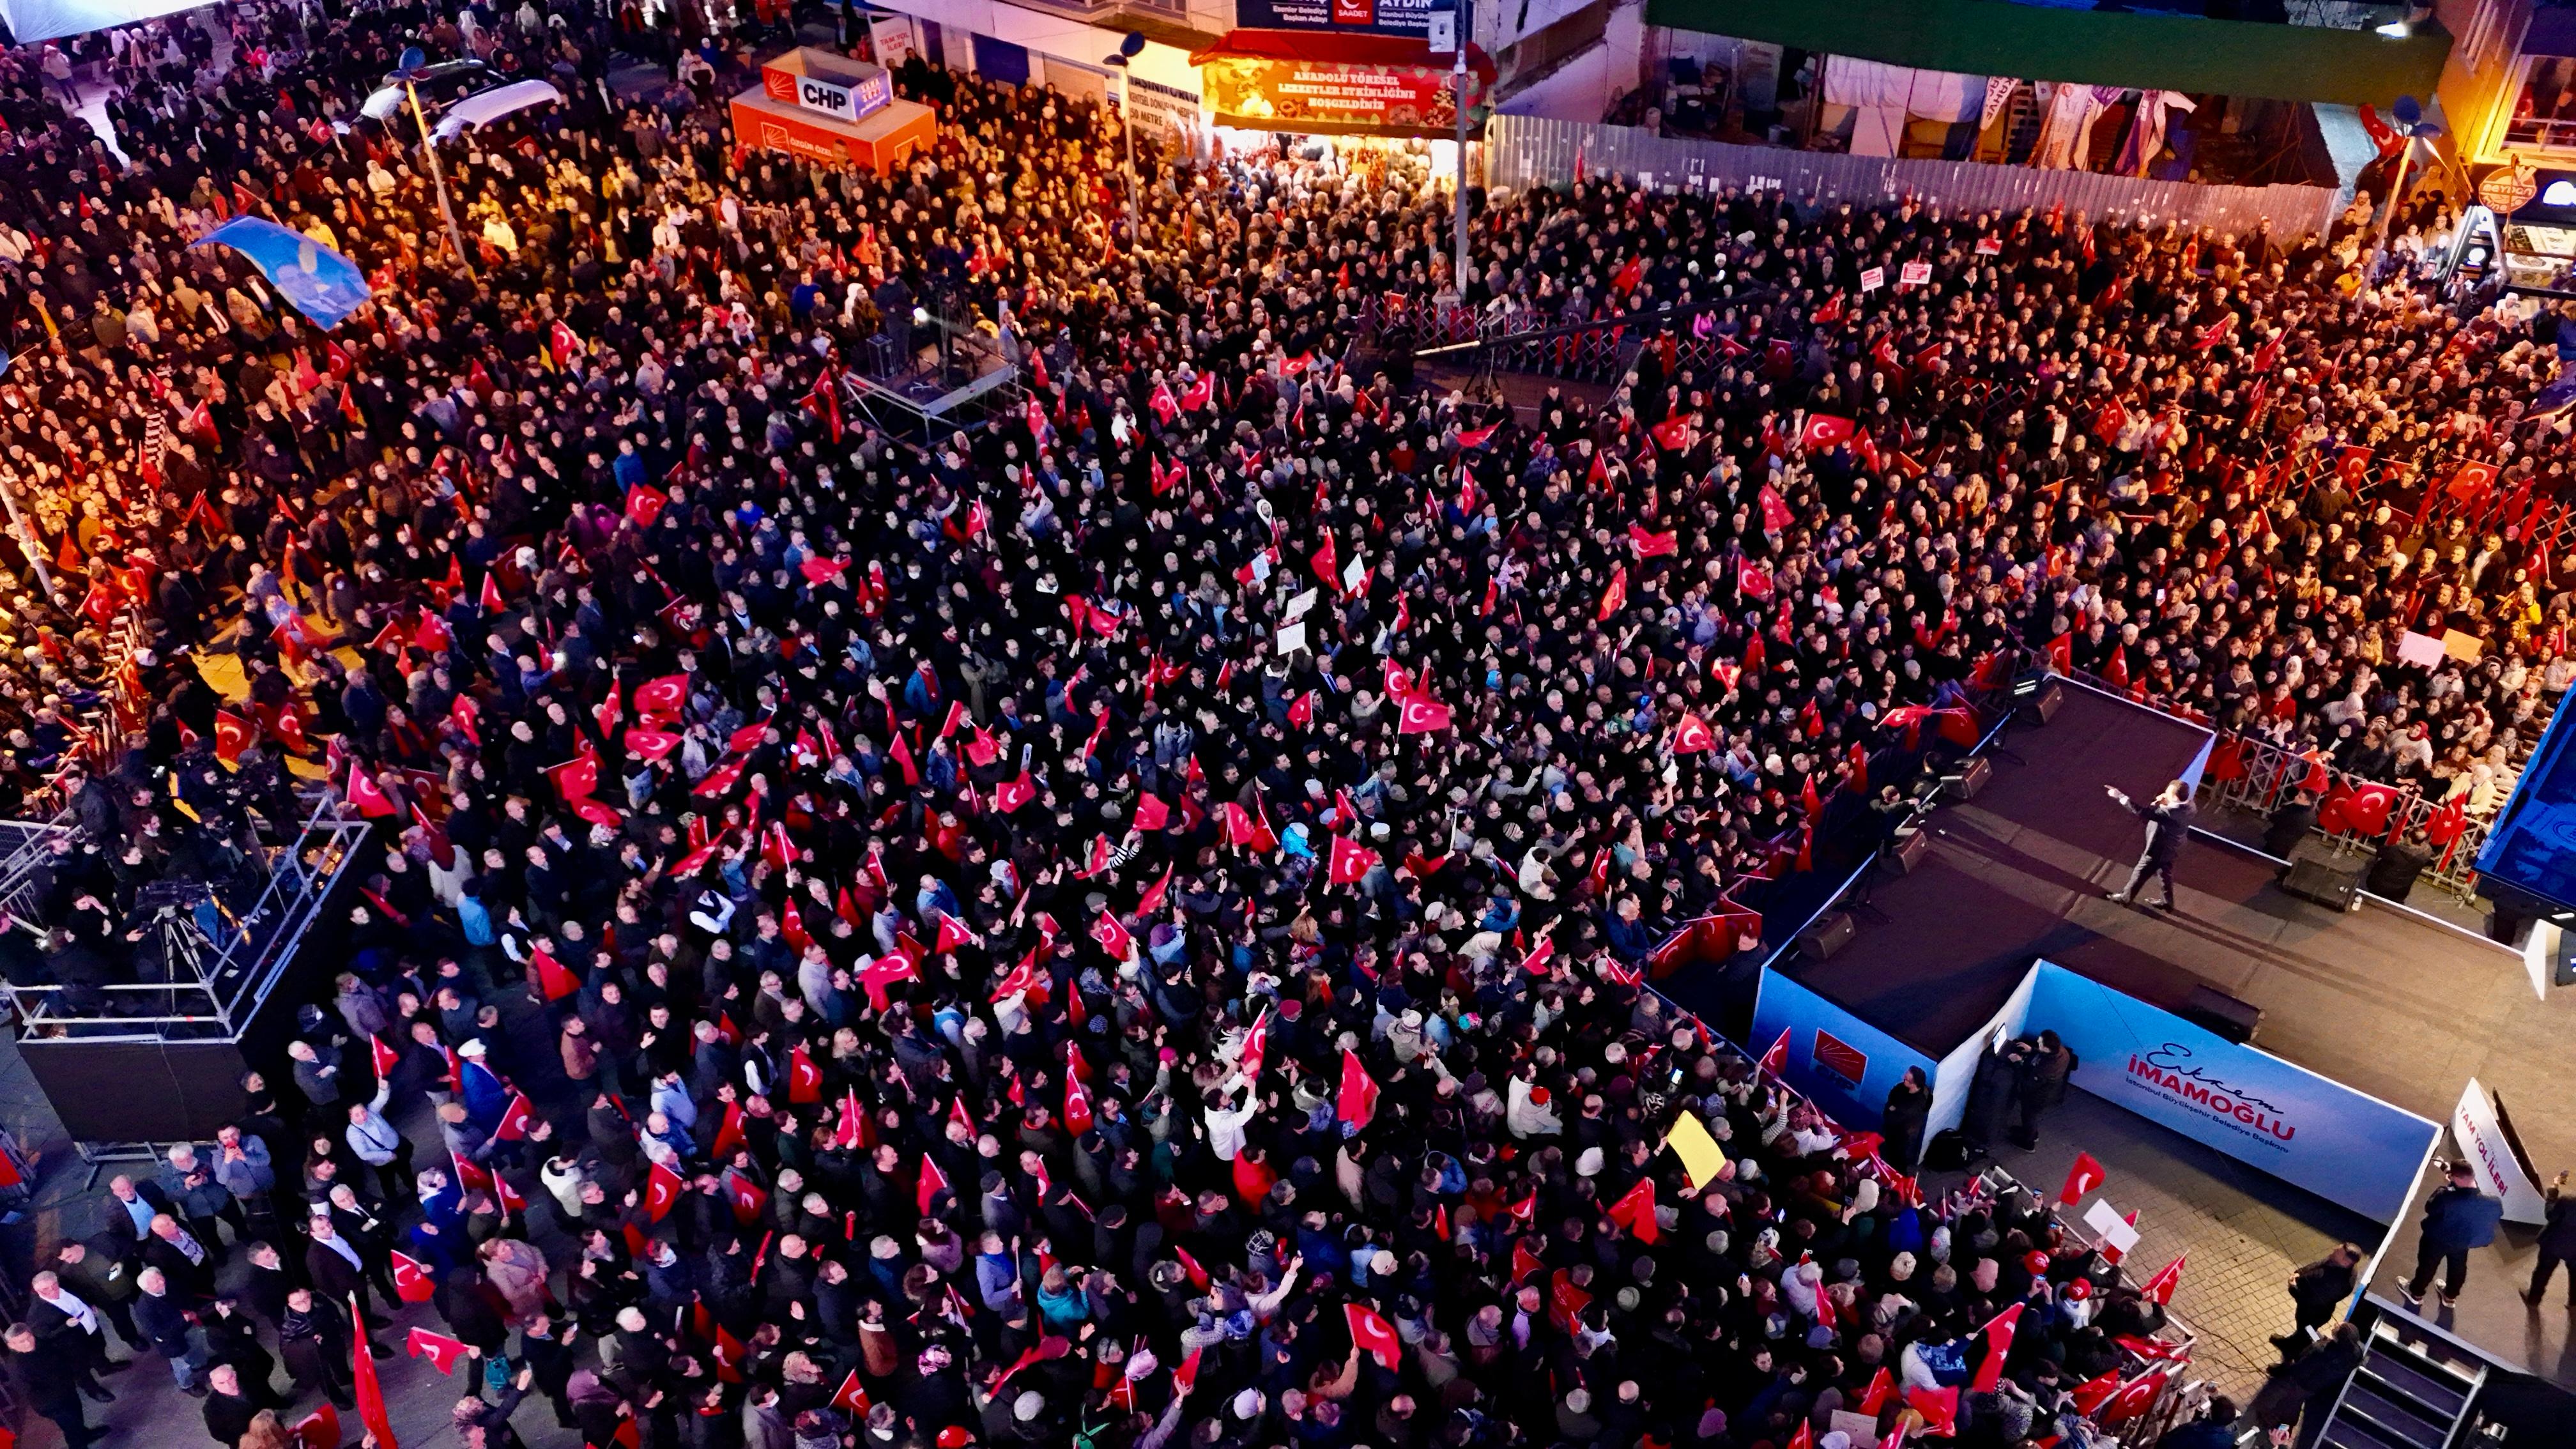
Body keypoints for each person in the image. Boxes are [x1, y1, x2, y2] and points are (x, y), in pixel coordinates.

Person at [2403, 1161, 2503, 1308]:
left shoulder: (2445, 1196)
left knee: (2427, 1266)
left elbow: (2430, 1208)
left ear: (2455, 1178)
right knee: (2458, 1268)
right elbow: (2494, 1213)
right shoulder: (2493, 1202)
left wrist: (2448, 1187)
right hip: (2463, 1242)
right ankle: (2450, 1297)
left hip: (2436, 1239)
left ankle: (2416, 1294)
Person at [4, 1321, 108, 1449]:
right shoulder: (16, 1367)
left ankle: (85, 1435)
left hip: (67, 1389)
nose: (28, 1343)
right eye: (21, 1342)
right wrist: (56, 1400)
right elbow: (29, 1393)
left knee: (78, 1418)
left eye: (29, 1337)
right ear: (11, 1345)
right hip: (53, 1404)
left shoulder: (40, 1343)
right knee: (72, 1430)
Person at [2106, 780, 2195, 910]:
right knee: (2165, 874)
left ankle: (2125, 898)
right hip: (2174, 847)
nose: (2165, 794)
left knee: (2139, 873)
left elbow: (2144, 813)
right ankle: (2167, 902)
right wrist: (2165, 803)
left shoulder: (2168, 813)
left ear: (2175, 797)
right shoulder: (2191, 806)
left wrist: (2120, 796)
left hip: (2158, 850)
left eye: (2168, 793)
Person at [2278, 1242, 2361, 1350]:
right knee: (2306, 1330)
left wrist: (2293, 1288)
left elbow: (2309, 1300)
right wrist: (2300, 1272)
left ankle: (2298, 1347)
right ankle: (2303, 1340)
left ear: (2345, 1262)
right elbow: (2318, 1265)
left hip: (2313, 1314)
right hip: (2315, 1311)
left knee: (2306, 1329)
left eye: (2337, 1252)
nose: (2334, 1250)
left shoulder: (2338, 1283)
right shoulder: (2337, 1262)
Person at [2526, 1169, 2576, 1307]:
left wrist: (2553, 1195)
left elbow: (2551, 1216)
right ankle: (2574, 1302)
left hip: (2554, 1243)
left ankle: (2534, 1299)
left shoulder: (2568, 1202)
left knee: (2543, 1271)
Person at [1881, 1066, 1932, 1174]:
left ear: (1914, 1084)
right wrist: (1891, 1109)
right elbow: (1892, 1096)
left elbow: (1896, 1117)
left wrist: (1893, 1109)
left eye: (1906, 1079)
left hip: (1903, 1135)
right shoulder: (1902, 1088)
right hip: (1895, 1128)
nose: (1903, 1078)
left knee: (1898, 1158)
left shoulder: (1916, 1104)